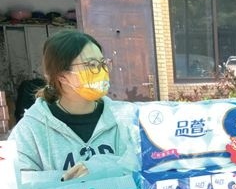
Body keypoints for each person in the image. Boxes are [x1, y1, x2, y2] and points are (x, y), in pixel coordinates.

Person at [8, 30, 139, 180]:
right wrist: (67, 181)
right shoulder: (30, 129)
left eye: (103, 63)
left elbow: (146, 165)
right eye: (91, 65)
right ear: (62, 76)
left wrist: (101, 168)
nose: (102, 71)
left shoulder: (125, 119)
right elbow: (17, 183)